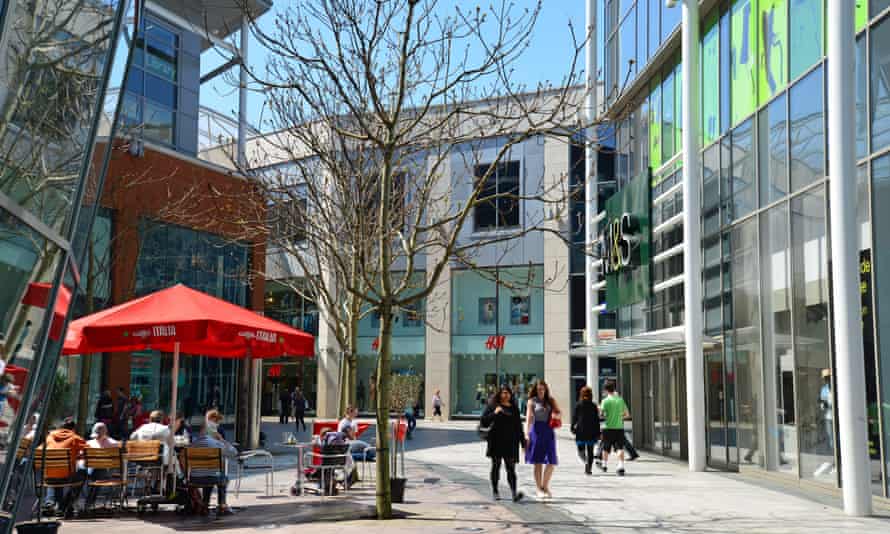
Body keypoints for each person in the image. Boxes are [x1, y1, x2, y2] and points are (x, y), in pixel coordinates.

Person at [480, 385, 525, 503]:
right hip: (496, 441)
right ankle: (495, 491)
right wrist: (494, 413)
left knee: (511, 468)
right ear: (499, 394)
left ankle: (514, 493)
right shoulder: (493, 406)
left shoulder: (514, 408)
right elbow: (483, 421)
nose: (506, 395)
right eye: (503, 393)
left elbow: (518, 426)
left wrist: (523, 442)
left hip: (511, 442)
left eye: (508, 393)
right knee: (496, 466)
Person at [41, 417, 86, 517]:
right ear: (73, 429)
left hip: (48, 476)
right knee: (83, 473)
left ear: (61, 428)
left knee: (55, 476)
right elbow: (89, 452)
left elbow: (41, 451)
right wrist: (77, 455)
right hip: (67, 476)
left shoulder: (49, 437)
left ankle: (51, 503)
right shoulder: (75, 438)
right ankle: (64, 505)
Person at [191, 422, 237, 516]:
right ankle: (222, 505)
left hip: (195, 478)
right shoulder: (217, 444)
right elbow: (234, 453)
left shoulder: (192, 444)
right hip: (214, 477)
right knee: (220, 476)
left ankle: (205, 504)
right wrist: (222, 439)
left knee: (209, 474)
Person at [525, 381, 559, 499]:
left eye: (543, 389)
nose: (541, 391)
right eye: (539, 389)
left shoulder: (550, 400)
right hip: (536, 431)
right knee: (538, 461)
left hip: (549, 431)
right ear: (535, 389)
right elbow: (528, 418)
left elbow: (558, 413)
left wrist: (556, 415)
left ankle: (545, 486)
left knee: (551, 461)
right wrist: (527, 434)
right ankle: (539, 488)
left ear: (546, 389)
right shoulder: (532, 401)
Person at [83, 422, 120, 508]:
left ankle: (88, 503)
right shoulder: (113, 443)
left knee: (97, 473)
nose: (98, 437)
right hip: (95, 471)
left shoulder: (89, 443)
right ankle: (87, 503)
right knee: (92, 474)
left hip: (100, 472)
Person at [599, 380, 630, 476]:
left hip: (607, 428)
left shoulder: (605, 401)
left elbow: (601, 415)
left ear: (606, 390)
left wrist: (602, 412)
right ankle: (620, 466)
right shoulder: (620, 400)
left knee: (606, 447)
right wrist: (619, 417)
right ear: (614, 388)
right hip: (619, 428)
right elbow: (627, 415)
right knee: (619, 448)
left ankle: (604, 465)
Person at [571, 386, 600, 475]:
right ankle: (589, 467)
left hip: (581, 431)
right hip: (591, 431)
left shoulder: (578, 405)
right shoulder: (594, 405)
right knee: (590, 451)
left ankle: (586, 463)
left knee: (580, 451)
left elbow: (574, 417)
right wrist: (598, 432)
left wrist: (572, 427)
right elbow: (596, 420)